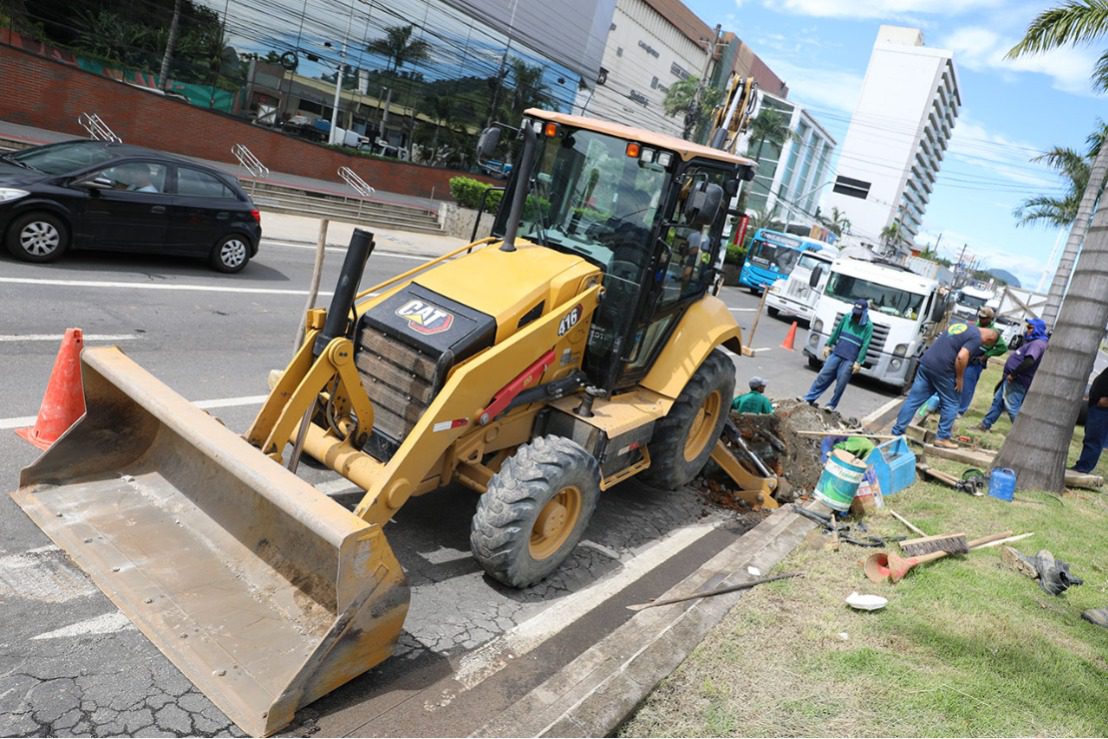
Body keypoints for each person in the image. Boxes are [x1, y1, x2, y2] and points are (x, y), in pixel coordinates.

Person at [891, 322, 1000, 448]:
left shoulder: (963, 325)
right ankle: (942, 438)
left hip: (927, 363)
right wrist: (959, 378)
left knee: (913, 400)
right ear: (990, 339)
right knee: (952, 402)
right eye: (986, 344)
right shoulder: (976, 337)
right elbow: (961, 356)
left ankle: (897, 432)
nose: (983, 345)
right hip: (944, 369)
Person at [916, 306, 1008, 420]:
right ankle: (942, 405)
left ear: (990, 319)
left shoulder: (993, 333)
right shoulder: (973, 326)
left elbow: (1003, 348)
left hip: (974, 363)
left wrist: (986, 355)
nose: (981, 320)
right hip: (962, 358)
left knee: (967, 386)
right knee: (952, 382)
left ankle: (960, 410)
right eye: (980, 317)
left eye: (984, 318)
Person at [978, 318, 1049, 431]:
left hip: (1017, 380)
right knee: (998, 402)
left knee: (1012, 408)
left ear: (1038, 330)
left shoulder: (1037, 344)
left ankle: (1021, 433)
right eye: (1027, 327)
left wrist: (1014, 374)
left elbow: (1029, 360)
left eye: (1030, 327)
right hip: (1010, 379)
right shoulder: (1033, 342)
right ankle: (985, 425)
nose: (1027, 330)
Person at [803, 299, 873, 411]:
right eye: (855, 312)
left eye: (859, 314)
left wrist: (859, 362)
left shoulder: (868, 326)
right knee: (823, 376)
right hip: (837, 353)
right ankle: (809, 398)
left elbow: (865, 345)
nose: (856, 316)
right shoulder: (847, 318)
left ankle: (831, 405)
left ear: (864, 313)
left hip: (850, 359)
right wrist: (828, 344)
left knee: (841, 383)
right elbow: (837, 332)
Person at [1071, 367, 1108, 473]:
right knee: (1091, 437)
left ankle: (1083, 468)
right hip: (1097, 404)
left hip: (1103, 407)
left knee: (1094, 440)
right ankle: (1082, 465)